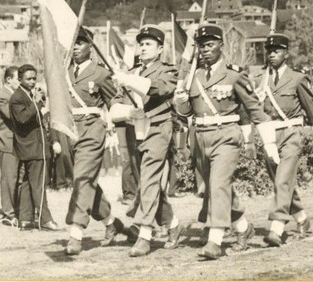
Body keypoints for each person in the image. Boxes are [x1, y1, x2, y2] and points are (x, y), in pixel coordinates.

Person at [172, 24, 279, 260]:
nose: (205, 50)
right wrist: (180, 101)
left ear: (221, 45)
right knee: (216, 189)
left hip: (226, 136)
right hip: (200, 138)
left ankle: (215, 240)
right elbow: (186, 113)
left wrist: (269, 142)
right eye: (201, 46)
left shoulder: (235, 74)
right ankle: (243, 228)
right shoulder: (193, 75)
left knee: (218, 184)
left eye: (210, 45)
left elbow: (254, 109)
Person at [110, 25, 183, 256]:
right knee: (147, 184)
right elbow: (114, 105)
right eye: (141, 43)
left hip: (159, 128)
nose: (143, 47)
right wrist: (127, 112)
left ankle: (144, 234)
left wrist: (128, 80)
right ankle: (172, 224)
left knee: (150, 181)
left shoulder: (167, 71)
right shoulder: (133, 72)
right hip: (136, 131)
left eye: (148, 43)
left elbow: (158, 90)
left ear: (160, 49)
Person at [247, 32, 313, 248]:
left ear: (286, 54)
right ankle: (302, 218)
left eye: (277, 51)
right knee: (282, 181)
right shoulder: (259, 81)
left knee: (283, 180)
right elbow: (253, 111)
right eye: (269, 51)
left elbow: (312, 112)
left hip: (291, 132)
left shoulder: (298, 79)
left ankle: (276, 227)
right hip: (269, 135)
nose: (271, 55)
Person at [62, 27, 123, 256]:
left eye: (80, 42)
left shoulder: (100, 73)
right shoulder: (64, 72)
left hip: (92, 129)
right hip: (70, 131)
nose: (75, 47)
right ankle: (110, 223)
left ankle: (76, 232)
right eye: (73, 43)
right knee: (86, 182)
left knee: (82, 179)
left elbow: (115, 102)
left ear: (90, 46)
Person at [9, 64, 58, 230]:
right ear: (20, 79)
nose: (32, 82)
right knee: (39, 184)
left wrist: (38, 101)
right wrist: (36, 103)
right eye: (28, 79)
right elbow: (22, 118)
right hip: (32, 147)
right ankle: (45, 219)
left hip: (34, 145)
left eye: (33, 78)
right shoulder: (17, 97)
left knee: (29, 183)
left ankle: (25, 218)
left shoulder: (29, 95)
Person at [0, 66, 20, 226]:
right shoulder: (3, 96)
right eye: (18, 78)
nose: (21, 82)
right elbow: (14, 116)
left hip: (14, 142)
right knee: (9, 179)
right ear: (9, 79)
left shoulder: (11, 95)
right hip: (6, 142)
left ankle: (13, 210)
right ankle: (8, 214)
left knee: (15, 178)